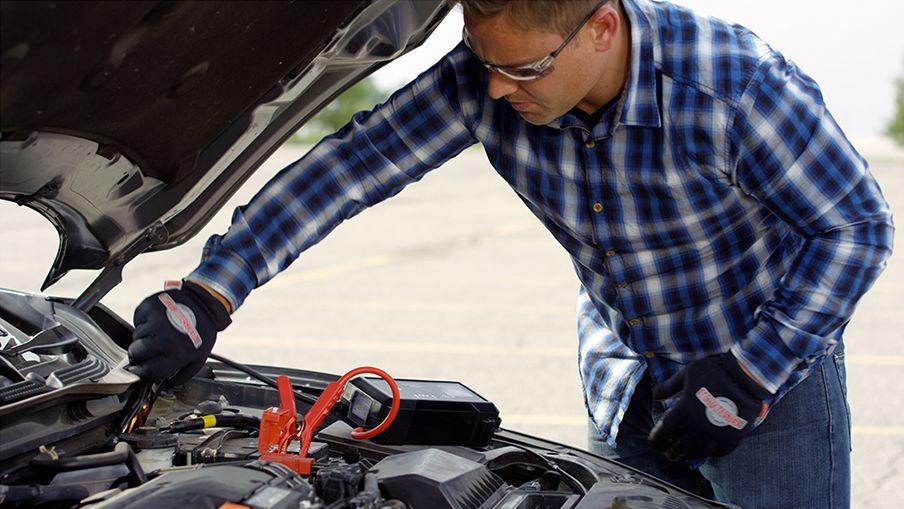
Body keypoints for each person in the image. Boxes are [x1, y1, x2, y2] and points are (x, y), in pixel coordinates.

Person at [126, 1, 894, 507]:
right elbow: (347, 168)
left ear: (601, 26)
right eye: (483, 61)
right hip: (626, 379)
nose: (494, 91)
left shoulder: (733, 85)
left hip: (766, 380)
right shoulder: (487, 78)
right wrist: (211, 291)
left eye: (522, 69)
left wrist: (751, 373)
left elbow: (856, 227)